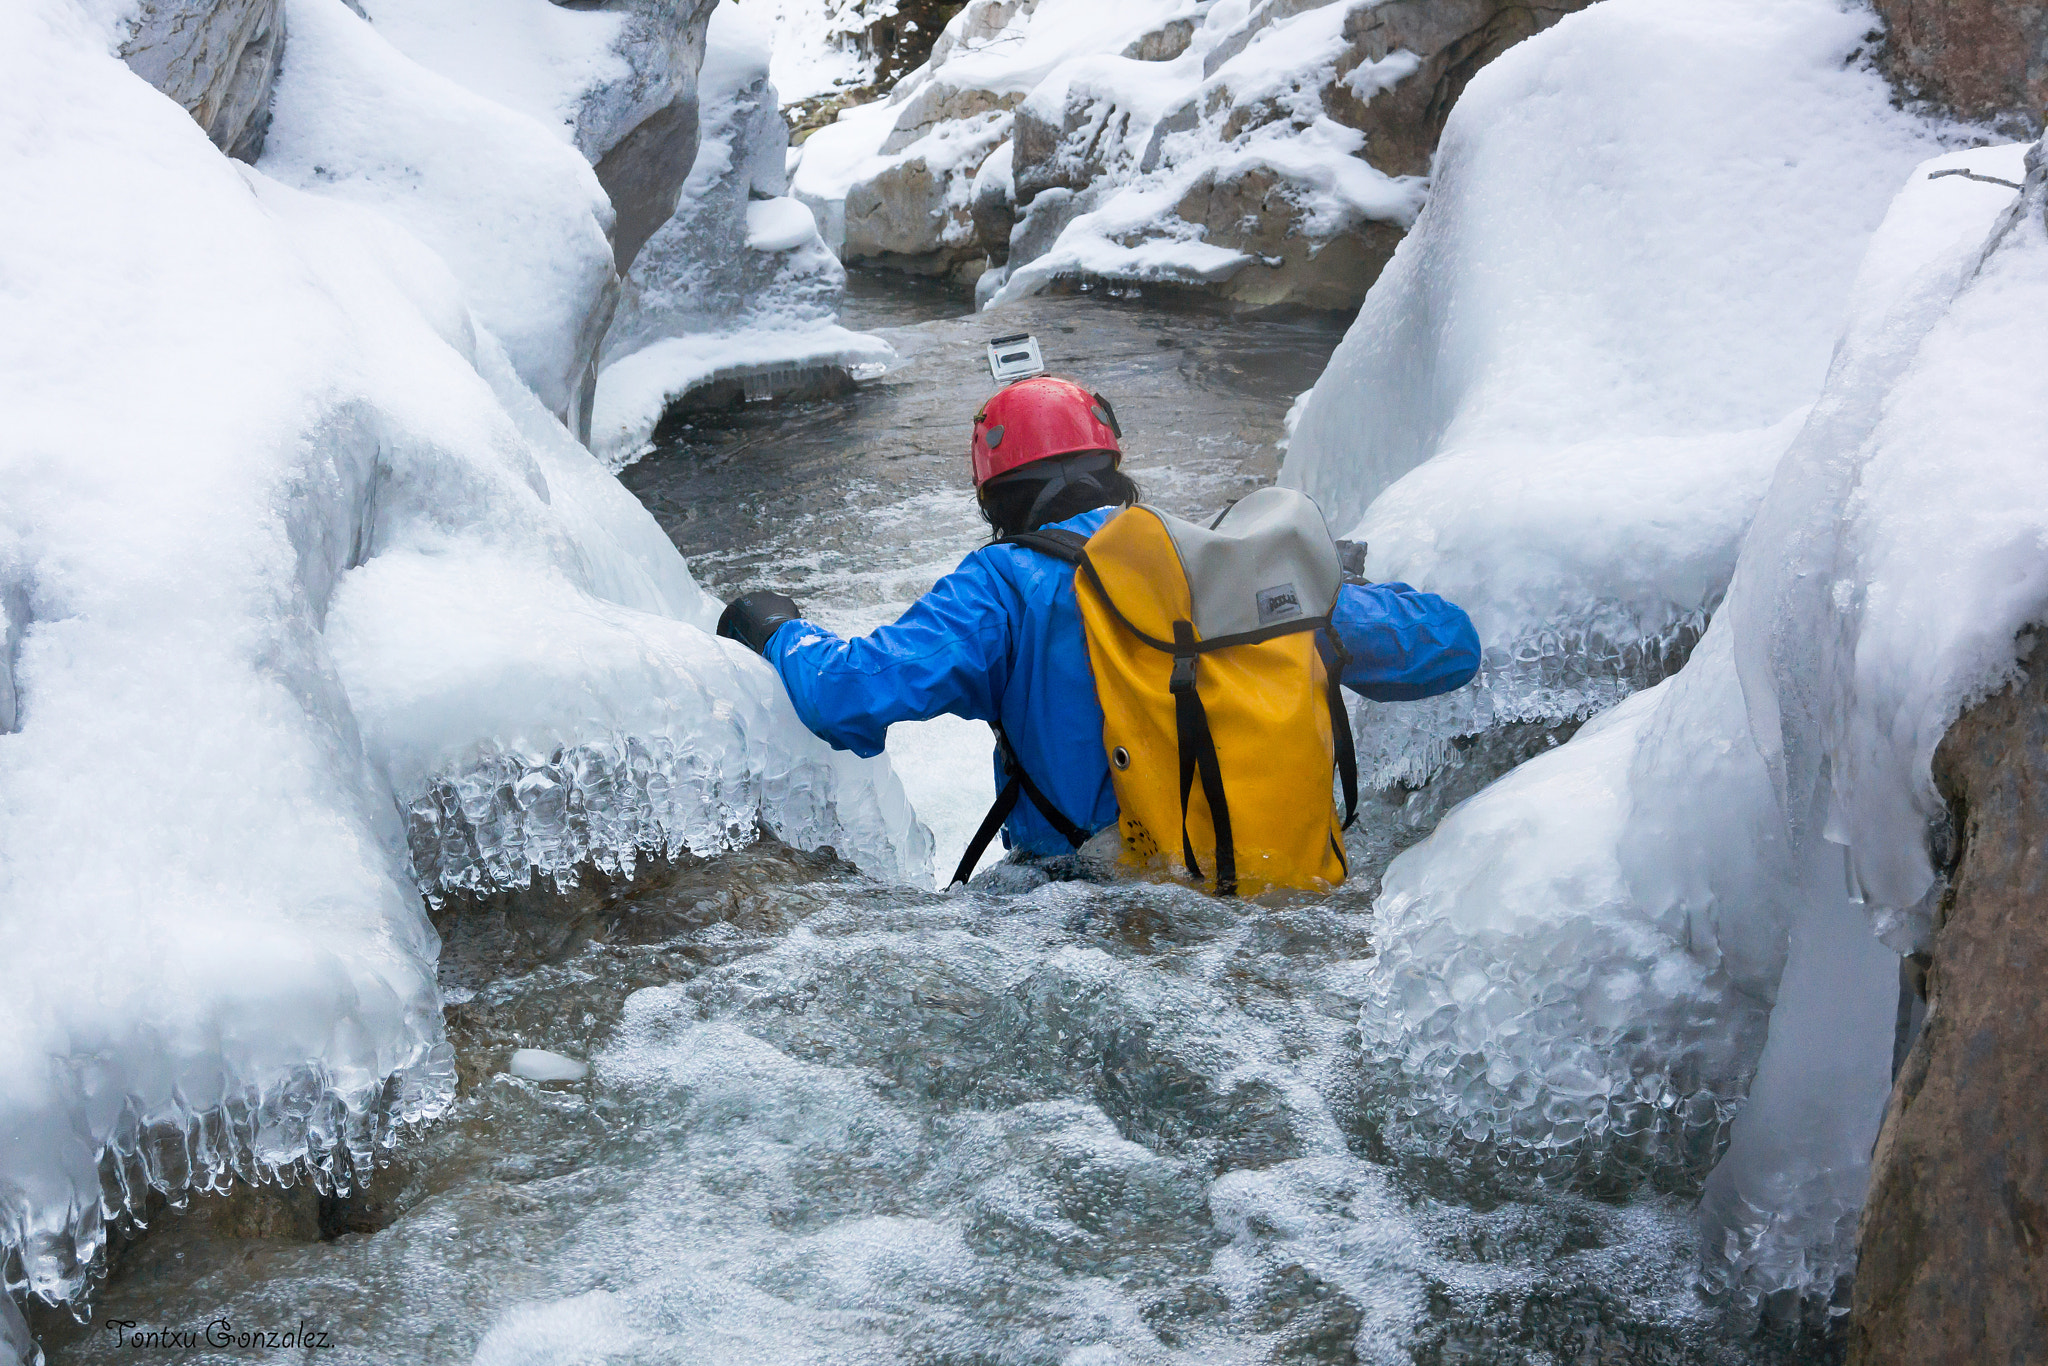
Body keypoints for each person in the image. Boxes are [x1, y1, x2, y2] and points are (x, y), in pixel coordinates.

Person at [717, 374, 1480, 879]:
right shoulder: (1230, 562)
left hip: (1079, 915)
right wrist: (1330, 588)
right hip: (1274, 894)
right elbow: (1449, 650)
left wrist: (779, 631)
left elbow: (848, 696)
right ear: (1113, 465)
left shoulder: (1001, 585)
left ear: (994, 501)